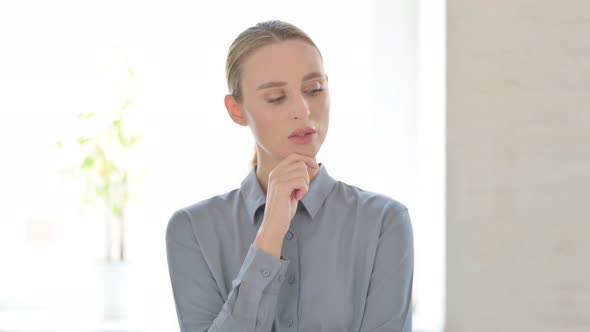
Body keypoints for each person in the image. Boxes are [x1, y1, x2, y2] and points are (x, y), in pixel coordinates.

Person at [165, 20, 414, 332]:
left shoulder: (384, 222)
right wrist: (270, 232)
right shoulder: (192, 230)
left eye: (314, 90)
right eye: (276, 97)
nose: (303, 110)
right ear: (237, 110)